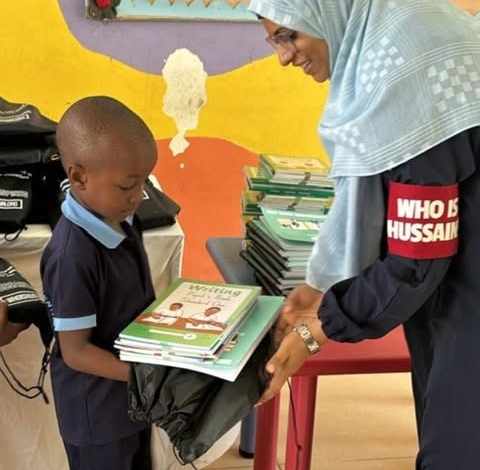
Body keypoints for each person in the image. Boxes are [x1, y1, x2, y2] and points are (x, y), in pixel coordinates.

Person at [247, 0, 480, 468]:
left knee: (456, 450)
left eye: (289, 35)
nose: (284, 56)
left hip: (467, 296)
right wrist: (317, 288)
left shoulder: (415, 71)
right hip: (454, 282)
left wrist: (321, 327)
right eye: (273, 39)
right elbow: (386, 196)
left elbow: (416, 260)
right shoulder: (392, 44)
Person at [40, 96, 157, 470]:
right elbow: (75, 352)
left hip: (132, 400)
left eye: (144, 183)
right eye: (127, 187)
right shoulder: (72, 256)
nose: (138, 197)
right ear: (78, 176)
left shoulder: (123, 219)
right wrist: (147, 377)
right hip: (97, 415)